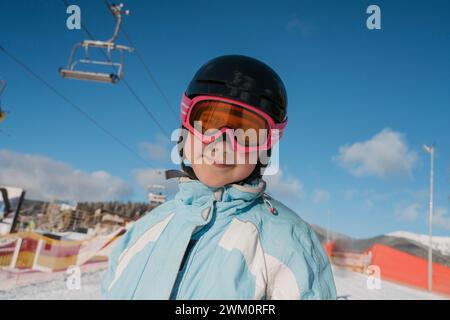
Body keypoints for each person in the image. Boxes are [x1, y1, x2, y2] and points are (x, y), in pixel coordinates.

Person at [102, 55, 337, 299]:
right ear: (185, 129)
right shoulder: (143, 230)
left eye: (246, 133)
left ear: (265, 149)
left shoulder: (288, 242)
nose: (222, 144)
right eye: (208, 124)